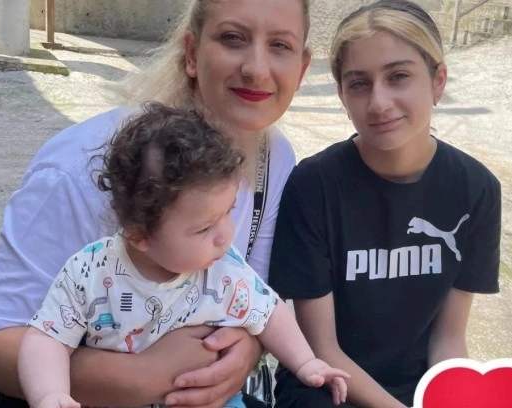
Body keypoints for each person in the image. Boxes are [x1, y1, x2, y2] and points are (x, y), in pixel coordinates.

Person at [0, 0, 312, 407]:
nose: (256, 69)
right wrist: (146, 376)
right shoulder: (85, 166)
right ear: (191, 54)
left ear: (302, 68)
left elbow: (251, 296)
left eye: (280, 45)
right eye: (233, 38)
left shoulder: (275, 158)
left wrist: (244, 351)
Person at [17, 103, 348, 408]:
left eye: (228, 212)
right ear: (140, 235)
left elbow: (270, 312)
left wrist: (306, 362)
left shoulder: (223, 269)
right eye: (204, 228)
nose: (225, 235)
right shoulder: (91, 272)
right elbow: (46, 338)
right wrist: (50, 394)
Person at [268, 1, 502, 407]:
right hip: (327, 385)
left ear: (438, 81)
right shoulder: (313, 185)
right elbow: (322, 347)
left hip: (417, 389)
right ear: (342, 95)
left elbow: (448, 339)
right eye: (359, 83)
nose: (378, 102)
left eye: (398, 77)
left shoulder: (476, 188)